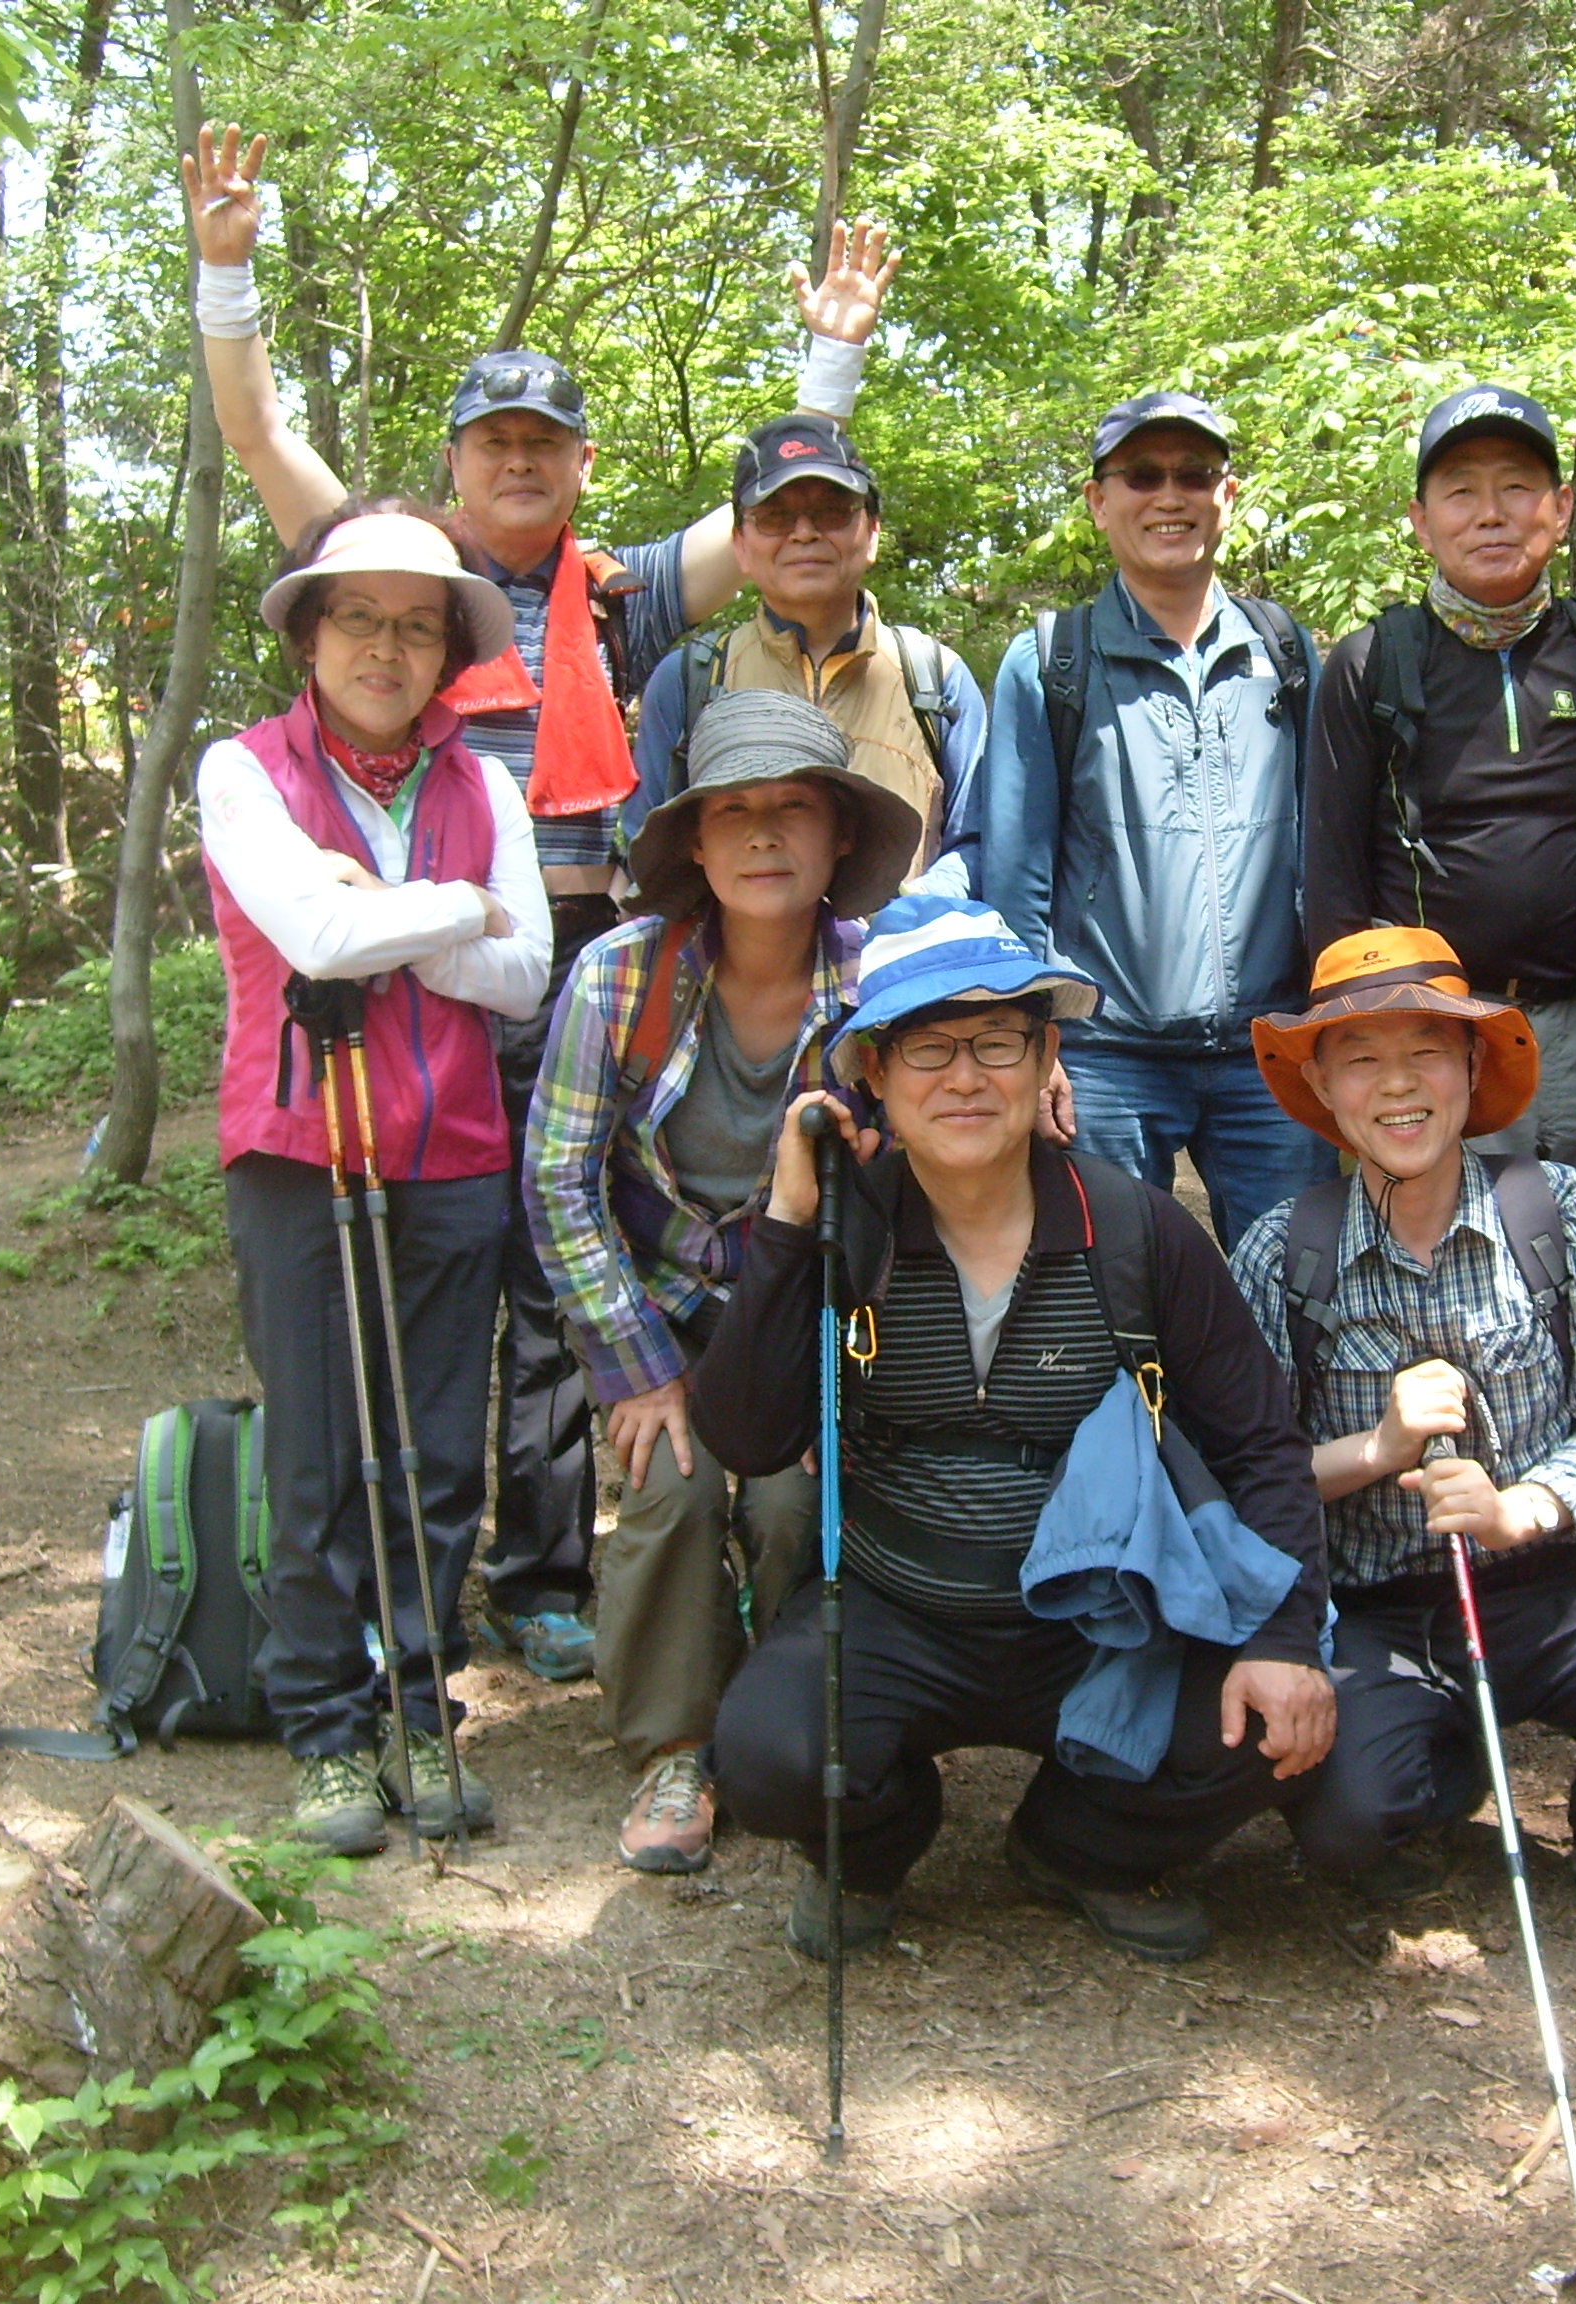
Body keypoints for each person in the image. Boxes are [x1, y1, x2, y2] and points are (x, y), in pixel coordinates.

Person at [183, 123, 896, 1684]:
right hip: (430, 968)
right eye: (492, 438)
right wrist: (226, 272)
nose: (518, 460)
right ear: (453, 460)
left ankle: (540, 1568)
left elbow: (767, 523)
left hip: (588, 963)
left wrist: (828, 362)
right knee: (475, 1266)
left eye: (545, 442)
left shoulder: (621, 594)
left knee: (567, 1260)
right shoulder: (397, 584)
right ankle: (430, 1586)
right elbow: (258, 436)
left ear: (577, 464)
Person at [694, 896, 1338, 1963]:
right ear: (873, 1076)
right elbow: (748, 1438)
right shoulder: (849, 1231)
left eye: (997, 1042)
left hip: (1103, 1615)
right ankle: (880, 1843)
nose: (964, 1078)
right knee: (769, 1760)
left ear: (1046, 1060)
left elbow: (1260, 1444)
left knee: (1261, 1727)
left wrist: (1281, 1642)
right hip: (892, 1607)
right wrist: (790, 1219)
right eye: (927, 1049)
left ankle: (1078, 1845)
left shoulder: (1136, 1231)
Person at [1229, 928, 1576, 1955]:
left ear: (1472, 1066)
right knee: (1346, 1822)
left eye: (1428, 1052)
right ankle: (1436, 1769)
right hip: (1372, 1610)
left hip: (1551, 1586)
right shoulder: (1282, 1251)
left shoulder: (1563, 1211)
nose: (1397, 1086)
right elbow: (1251, 1474)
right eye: (1361, 1058)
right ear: (1320, 1084)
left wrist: (1518, 1511)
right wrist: (1378, 1449)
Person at [197, 502, 550, 1853]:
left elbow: (523, 979)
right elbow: (315, 936)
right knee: (316, 1452)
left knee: (438, 1453)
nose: (386, 648)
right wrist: (462, 907)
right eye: (359, 617)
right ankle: (325, 1729)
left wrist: (387, 922)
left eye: (416, 625)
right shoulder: (244, 771)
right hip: (299, 1150)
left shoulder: (484, 787)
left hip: (454, 1152)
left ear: (449, 649)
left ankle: (417, 1704)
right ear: (310, 632)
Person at [525, 692, 927, 1874]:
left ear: (839, 836)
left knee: (797, 1503)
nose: (763, 835)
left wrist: (839, 1381)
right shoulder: (618, 977)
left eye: (793, 809)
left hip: (807, 1311)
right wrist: (639, 1371)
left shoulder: (883, 984)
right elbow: (557, 1181)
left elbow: (925, 1176)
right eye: (732, 812)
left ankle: (786, 1714)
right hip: (659, 1305)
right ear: (692, 845)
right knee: (674, 1485)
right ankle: (677, 1745)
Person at [970, 392, 1335, 1243]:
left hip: (1270, 1048)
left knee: (1296, 1287)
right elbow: (1017, 876)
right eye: (1141, 475)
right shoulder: (1049, 661)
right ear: (1099, 501)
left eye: (1193, 474)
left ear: (1227, 495)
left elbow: (1323, 848)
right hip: (1103, 1055)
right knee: (1109, 1288)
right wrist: (1035, 1041)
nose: (1170, 496)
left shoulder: (1283, 651)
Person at [1300, 387, 1576, 1182]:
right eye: (1461, 492)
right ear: (1422, 522)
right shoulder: (1373, 664)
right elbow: (1333, 877)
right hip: (1437, 1025)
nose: (1491, 514)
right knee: (1445, 1236)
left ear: (1561, 509)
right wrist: (1360, 1043)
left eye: (1516, 486)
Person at [625, 413, 987, 897]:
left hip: (902, 946)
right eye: (775, 517)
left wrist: (915, 912)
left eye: (832, 512)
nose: (803, 533)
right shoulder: (692, 679)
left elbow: (978, 842)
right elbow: (646, 855)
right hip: (736, 947)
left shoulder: (934, 677)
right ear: (740, 544)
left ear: (872, 533)